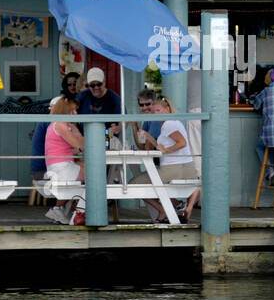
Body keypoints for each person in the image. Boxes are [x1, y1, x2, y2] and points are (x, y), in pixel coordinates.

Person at [137, 95, 200, 223]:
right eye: (153, 111)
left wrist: (167, 150)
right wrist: (150, 138)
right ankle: (187, 207)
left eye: (158, 111)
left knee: (134, 185)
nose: (155, 114)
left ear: (167, 110)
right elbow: (161, 147)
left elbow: (182, 143)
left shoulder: (168, 124)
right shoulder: (175, 122)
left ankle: (162, 210)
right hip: (188, 169)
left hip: (172, 170)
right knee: (197, 184)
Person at [44, 97, 85, 224]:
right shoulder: (61, 125)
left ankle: (71, 209)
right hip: (60, 168)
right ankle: (79, 211)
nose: (76, 114)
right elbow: (80, 146)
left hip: (60, 165)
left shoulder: (56, 124)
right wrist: (76, 128)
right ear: (65, 111)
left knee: (88, 169)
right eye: (73, 111)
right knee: (94, 172)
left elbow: (74, 150)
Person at [75, 67, 123, 139]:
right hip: (84, 140)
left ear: (104, 82)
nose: (96, 87)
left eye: (99, 84)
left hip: (107, 140)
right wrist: (76, 132)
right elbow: (70, 112)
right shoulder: (83, 96)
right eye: (92, 85)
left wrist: (118, 128)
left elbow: (125, 119)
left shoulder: (114, 98)